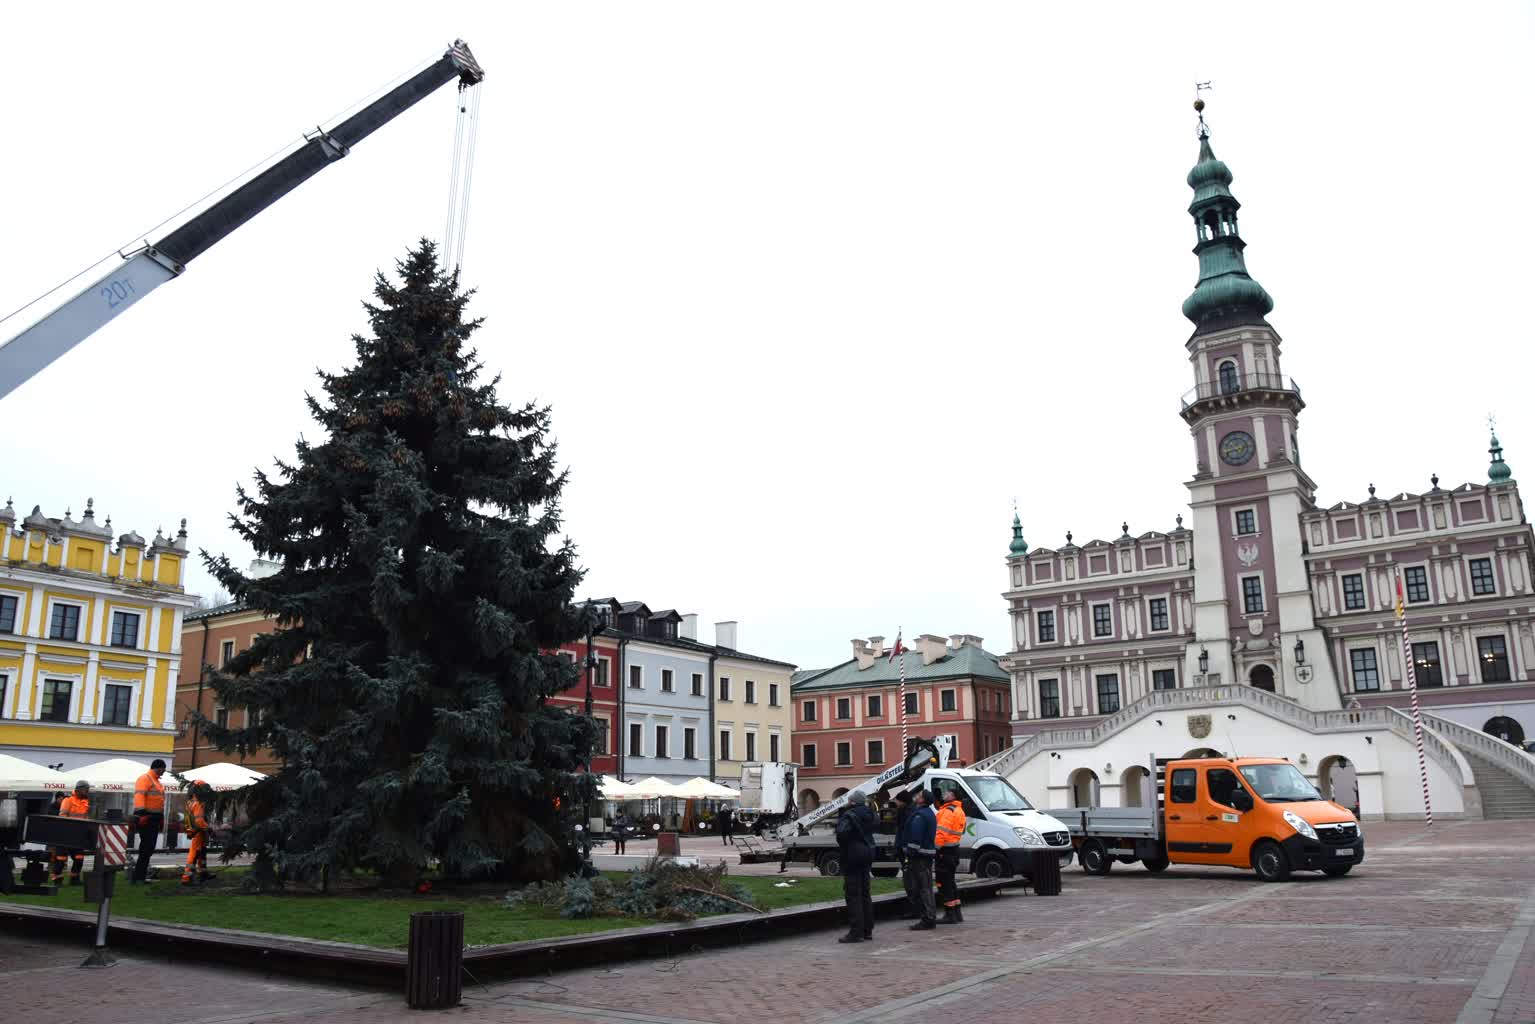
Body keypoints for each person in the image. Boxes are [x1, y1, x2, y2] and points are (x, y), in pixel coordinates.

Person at [834, 791, 877, 943]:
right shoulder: (871, 813)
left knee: (853, 894)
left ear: (852, 802)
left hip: (853, 854)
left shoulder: (849, 815)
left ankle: (856, 932)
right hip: (868, 852)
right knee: (865, 892)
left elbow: (841, 834)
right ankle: (867, 930)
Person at [902, 789, 938, 930]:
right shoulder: (928, 813)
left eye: (919, 795)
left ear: (923, 800)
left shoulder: (920, 815)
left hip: (919, 857)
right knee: (926, 887)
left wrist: (910, 852)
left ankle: (928, 918)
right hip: (925, 856)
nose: (916, 797)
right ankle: (929, 917)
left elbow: (915, 837)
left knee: (923, 888)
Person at [130, 759, 167, 884]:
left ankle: (140, 876)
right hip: (147, 818)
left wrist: (161, 817)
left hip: (153, 818)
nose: (164, 771)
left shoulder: (156, 781)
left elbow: (158, 801)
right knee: (146, 848)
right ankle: (138, 877)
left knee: (148, 848)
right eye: (163, 768)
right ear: (158, 767)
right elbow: (139, 796)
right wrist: (141, 814)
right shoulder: (145, 779)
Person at [935, 786, 967, 924]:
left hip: (944, 852)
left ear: (953, 796)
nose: (945, 794)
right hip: (954, 850)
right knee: (951, 882)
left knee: (944, 883)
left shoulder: (948, 811)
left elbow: (941, 831)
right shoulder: (959, 810)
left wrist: (935, 849)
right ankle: (957, 913)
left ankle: (950, 914)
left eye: (948, 792)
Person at [50, 780, 92, 885]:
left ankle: (75, 879)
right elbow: (62, 816)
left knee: (79, 857)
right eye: (86, 790)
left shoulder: (85, 802)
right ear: (79, 789)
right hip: (65, 834)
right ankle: (57, 880)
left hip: (78, 835)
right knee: (61, 859)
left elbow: (85, 818)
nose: (87, 792)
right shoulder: (68, 800)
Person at [181, 781, 213, 886]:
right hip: (198, 831)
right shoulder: (198, 803)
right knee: (195, 853)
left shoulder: (191, 801)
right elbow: (199, 821)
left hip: (195, 830)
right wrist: (208, 828)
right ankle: (187, 877)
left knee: (201, 852)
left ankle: (202, 872)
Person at [891, 790, 916, 917]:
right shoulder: (907, 811)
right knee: (910, 879)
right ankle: (914, 908)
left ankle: (914, 909)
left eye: (897, 800)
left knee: (910, 880)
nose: (895, 802)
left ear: (903, 801)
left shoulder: (907, 813)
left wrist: (903, 849)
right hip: (904, 849)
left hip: (906, 851)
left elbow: (904, 832)